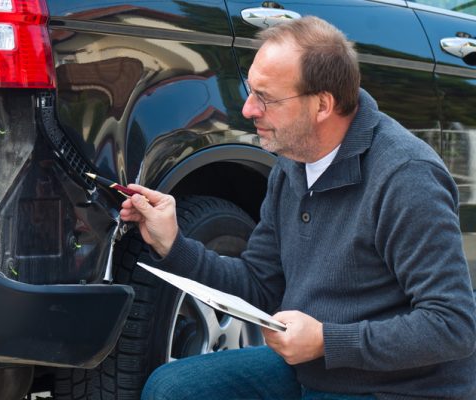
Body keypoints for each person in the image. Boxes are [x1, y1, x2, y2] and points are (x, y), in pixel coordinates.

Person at [119, 16, 476, 400]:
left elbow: (452, 326)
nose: (248, 109)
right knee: (172, 389)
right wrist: (173, 244)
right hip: (315, 371)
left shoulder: (406, 177)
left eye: (266, 98)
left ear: (322, 104)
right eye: (250, 91)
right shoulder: (294, 161)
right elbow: (259, 285)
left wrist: (327, 341)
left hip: (395, 387)